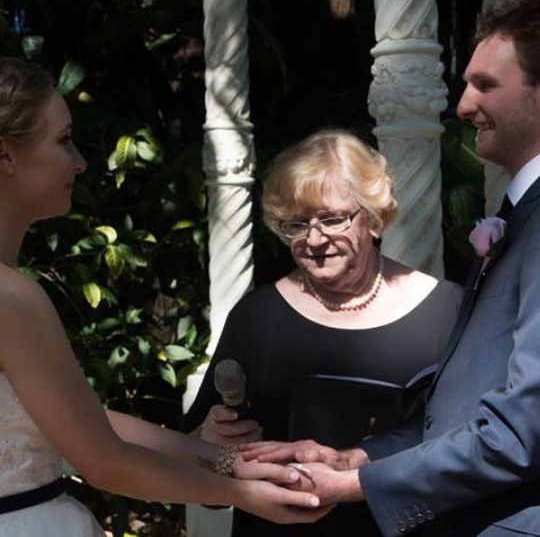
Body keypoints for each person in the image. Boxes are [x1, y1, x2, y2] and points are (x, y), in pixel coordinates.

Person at [241, 0, 540, 535]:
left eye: (486, 85)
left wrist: (355, 485)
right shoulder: (519, 217)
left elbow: (523, 431)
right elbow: (456, 416)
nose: (464, 105)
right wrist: (355, 460)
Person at [0, 57, 330, 536]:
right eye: (64, 139)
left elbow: (79, 420)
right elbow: (104, 462)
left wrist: (228, 462)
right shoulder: (12, 297)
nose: (80, 161)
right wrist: (250, 495)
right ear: (6, 156)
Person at [181, 129, 463, 536]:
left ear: (372, 215)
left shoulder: (445, 310)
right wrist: (209, 446)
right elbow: (201, 476)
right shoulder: (257, 318)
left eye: (332, 219)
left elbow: (472, 448)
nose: (314, 239)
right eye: (297, 223)